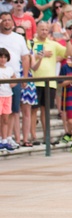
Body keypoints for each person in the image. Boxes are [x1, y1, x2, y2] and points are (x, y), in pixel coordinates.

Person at [0, 12, 31, 149]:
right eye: (4, 20)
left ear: (13, 22)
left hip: (15, 77)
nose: (7, 22)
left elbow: (25, 57)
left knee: (13, 110)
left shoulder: (19, 38)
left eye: (9, 20)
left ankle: (8, 137)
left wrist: (24, 76)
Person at [0, 48, 14, 153]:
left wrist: (11, 84)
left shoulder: (9, 69)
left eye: (5, 57)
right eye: (1, 57)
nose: (3, 59)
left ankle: (4, 139)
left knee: (5, 118)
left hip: (7, 95)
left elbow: (14, 79)